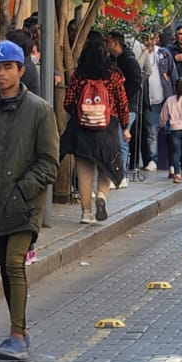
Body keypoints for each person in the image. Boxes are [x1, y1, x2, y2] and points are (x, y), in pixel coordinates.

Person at [0, 40, 57, 362]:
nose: (2, 73)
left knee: (14, 262)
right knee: (5, 266)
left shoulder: (39, 110)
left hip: (24, 204)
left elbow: (49, 162)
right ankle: (19, 327)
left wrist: (23, 191)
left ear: (21, 70)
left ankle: (17, 334)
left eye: (8, 67)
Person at [61, 39, 128, 225]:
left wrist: (80, 114)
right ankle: (102, 195)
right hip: (107, 127)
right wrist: (124, 124)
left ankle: (86, 213)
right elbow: (122, 102)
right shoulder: (114, 76)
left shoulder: (79, 76)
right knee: (105, 165)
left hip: (82, 129)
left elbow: (68, 102)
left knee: (84, 170)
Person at [104, 32, 143, 181]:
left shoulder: (128, 60)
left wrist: (123, 96)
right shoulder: (112, 59)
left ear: (114, 43)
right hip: (116, 106)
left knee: (121, 140)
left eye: (108, 42)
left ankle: (121, 175)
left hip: (127, 107)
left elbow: (136, 80)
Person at [139, 34, 176, 174]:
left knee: (169, 131)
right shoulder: (140, 54)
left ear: (156, 39)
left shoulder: (164, 54)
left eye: (151, 38)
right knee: (151, 132)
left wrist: (176, 96)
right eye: (146, 38)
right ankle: (152, 160)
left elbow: (173, 74)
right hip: (149, 100)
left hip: (166, 99)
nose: (148, 41)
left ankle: (172, 162)